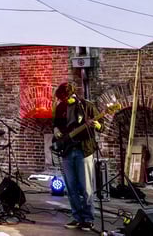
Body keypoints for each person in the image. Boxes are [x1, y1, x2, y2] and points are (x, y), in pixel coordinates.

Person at [53, 81, 101, 231]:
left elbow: (102, 125)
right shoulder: (61, 107)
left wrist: (97, 125)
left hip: (83, 150)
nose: (63, 101)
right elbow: (55, 124)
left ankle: (88, 218)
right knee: (71, 187)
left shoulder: (86, 106)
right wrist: (55, 130)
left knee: (86, 187)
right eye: (61, 99)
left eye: (64, 98)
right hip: (67, 150)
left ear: (70, 95)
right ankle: (77, 217)